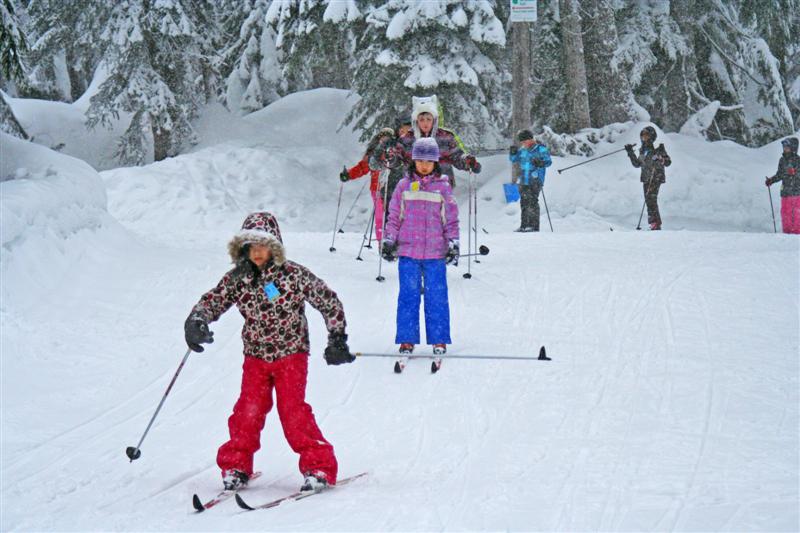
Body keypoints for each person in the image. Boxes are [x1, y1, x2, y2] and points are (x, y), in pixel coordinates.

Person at [183, 212, 355, 493]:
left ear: (275, 247)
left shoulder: (293, 275)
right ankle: (236, 465)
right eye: (250, 246)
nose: (257, 252)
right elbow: (213, 299)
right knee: (247, 412)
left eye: (263, 245)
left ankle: (318, 466)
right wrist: (197, 320)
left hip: (291, 354)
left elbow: (328, 301)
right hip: (256, 356)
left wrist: (336, 337)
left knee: (293, 412)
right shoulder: (238, 278)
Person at [381, 137, 459, 366]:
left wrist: (453, 243)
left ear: (436, 162)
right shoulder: (404, 186)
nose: (424, 165)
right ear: (413, 160)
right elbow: (394, 216)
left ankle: (439, 340)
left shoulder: (443, 187)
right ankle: (407, 339)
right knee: (408, 296)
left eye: (429, 160)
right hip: (409, 252)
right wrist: (389, 239)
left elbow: (451, 220)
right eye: (420, 160)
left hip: (435, 253)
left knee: (437, 297)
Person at [399, 95, 481, 187]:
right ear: (416, 121)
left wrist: (467, 161)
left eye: (428, 119)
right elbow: (397, 156)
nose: (425, 123)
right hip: (414, 186)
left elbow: (456, 156)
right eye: (421, 119)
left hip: (441, 186)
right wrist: (390, 156)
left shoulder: (446, 137)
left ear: (434, 120)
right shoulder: (407, 138)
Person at [340, 127, 395, 241]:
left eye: (388, 138)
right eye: (383, 137)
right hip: (377, 189)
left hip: (393, 189)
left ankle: (392, 241)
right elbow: (361, 168)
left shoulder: (396, 152)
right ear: (379, 139)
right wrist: (348, 175)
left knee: (392, 216)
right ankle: (382, 243)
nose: (385, 140)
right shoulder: (373, 154)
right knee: (380, 216)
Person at [625, 125, 671, 230]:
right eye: (642, 136)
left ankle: (655, 223)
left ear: (651, 136)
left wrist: (660, 159)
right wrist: (630, 152)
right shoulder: (643, 151)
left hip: (655, 176)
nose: (644, 138)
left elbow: (668, 162)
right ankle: (654, 222)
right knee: (648, 199)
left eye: (646, 136)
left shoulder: (658, 149)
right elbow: (637, 164)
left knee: (651, 198)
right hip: (646, 177)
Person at [370, 114, 413, 223]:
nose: (405, 132)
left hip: (411, 187)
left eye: (409, 129)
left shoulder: (416, 143)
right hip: (391, 187)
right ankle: (389, 237)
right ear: (398, 129)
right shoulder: (390, 143)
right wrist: (384, 158)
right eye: (403, 129)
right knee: (392, 218)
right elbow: (374, 163)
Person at [509, 129, 552, 232]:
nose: (523, 144)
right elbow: (514, 159)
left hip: (536, 179)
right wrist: (513, 153)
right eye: (522, 142)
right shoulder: (523, 150)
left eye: (524, 141)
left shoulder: (541, 149)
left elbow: (548, 162)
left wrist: (540, 162)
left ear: (530, 139)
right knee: (524, 202)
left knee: (532, 201)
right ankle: (524, 225)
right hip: (524, 179)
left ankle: (533, 226)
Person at [766, 137, 800, 234]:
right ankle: (786, 232)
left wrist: (795, 172)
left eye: (787, 147)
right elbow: (780, 174)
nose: (784, 148)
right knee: (785, 212)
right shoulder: (782, 160)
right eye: (784, 147)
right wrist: (771, 180)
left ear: (793, 148)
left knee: (795, 213)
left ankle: (797, 232)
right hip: (785, 192)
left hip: (796, 191)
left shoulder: (798, 160)